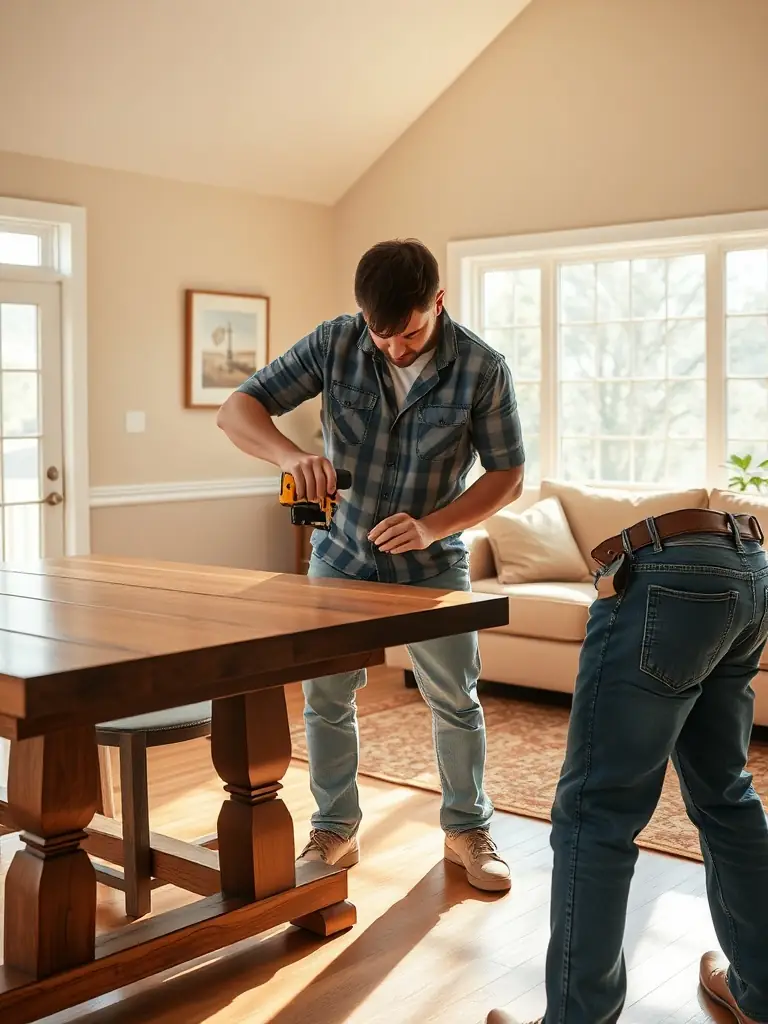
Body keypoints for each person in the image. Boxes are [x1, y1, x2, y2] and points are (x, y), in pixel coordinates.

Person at [217, 238, 525, 892]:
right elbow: (237, 409)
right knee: (325, 699)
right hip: (341, 555)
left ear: (437, 303)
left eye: (409, 332)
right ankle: (334, 830)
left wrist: (433, 526)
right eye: (380, 335)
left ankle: (466, 829)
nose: (394, 347)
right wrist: (288, 457)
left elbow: (509, 474)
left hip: (435, 564)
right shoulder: (335, 342)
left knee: (454, 699)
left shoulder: (481, 369)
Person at [486, 508, 768, 1023]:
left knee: (596, 812)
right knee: (726, 791)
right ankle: (763, 994)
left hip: (667, 573)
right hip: (750, 566)